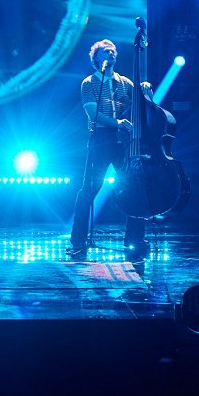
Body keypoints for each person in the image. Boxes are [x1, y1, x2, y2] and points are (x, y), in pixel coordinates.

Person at [69, 39, 148, 261]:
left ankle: (135, 240)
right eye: (106, 51)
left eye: (113, 50)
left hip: (123, 141)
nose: (111, 53)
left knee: (133, 187)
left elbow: (142, 104)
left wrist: (144, 89)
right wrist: (118, 123)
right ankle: (78, 241)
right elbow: (92, 113)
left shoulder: (125, 82)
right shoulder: (89, 83)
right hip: (101, 140)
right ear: (96, 58)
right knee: (89, 190)